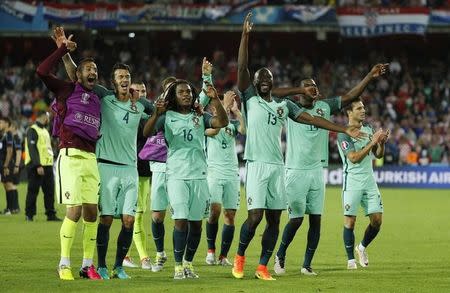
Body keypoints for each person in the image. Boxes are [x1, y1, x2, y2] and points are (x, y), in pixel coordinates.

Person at [232, 12, 363, 281]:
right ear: (255, 83)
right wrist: (245, 36)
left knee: (275, 220)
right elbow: (242, 66)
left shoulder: (284, 106)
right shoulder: (249, 99)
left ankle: (263, 267)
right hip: (256, 165)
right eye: (261, 77)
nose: (265, 79)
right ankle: (240, 257)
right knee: (254, 217)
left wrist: (342, 128)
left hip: (277, 167)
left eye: (269, 76)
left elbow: (312, 118)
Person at [274, 64, 388, 276]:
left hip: (318, 171)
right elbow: (271, 93)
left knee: (316, 220)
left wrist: (370, 76)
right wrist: (298, 90)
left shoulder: (325, 106)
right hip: (295, 170)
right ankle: (280, 255)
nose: (314, 89)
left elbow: (351, 95)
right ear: (301, 91)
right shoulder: (290, 107)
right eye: (309, 87)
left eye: (315, 86)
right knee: (296, 219)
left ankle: (307, 264)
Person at [143, 80, 229, 280]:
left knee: (197, 224)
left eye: (189, 92)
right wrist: (156, 112)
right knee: (180, 221)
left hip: (199, 175)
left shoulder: (200, 116)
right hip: (176, 176)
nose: (186, 95)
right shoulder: (167, 117)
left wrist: (215, 100)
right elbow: (146, 132)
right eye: (181, 92)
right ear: (174, 95)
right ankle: (178, 266)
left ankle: (189, 264)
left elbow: (222, 122)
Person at [38, 28, 102, 281]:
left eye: (95, 70)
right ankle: (64, 263)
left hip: (91, 159)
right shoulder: (65, 90)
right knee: (74, 211)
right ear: (77, 74)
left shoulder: (98, 98)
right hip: (70, 157)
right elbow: (42, 72)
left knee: (91, 212)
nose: (93, 73)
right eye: (88, 69)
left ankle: (87, 265)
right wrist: (62, 50)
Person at [337, 98, 389, 270]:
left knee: (377, 220)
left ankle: (362, 247)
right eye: (359, 108)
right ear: (349, 113)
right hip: (352, 182)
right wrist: (373, 142)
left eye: (364, 107)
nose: (363, 110)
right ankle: (351, 260)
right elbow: (353, 158)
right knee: (350, 222)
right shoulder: (344, 133)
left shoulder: (368, 129)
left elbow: (378, 155)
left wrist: (381, 143)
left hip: (369, 181)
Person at [205, 91, 245, 266]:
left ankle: (223, 256)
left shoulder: (233, 125)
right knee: (214, 211)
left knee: (230, 214)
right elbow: (214, 132)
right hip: (213, 172)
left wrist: (237, 113)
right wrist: (226, 107)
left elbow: (244, 130)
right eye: (221, 104)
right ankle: (211, 251)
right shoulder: (206, 121)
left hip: (231, 173)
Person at [122, 81, 153, 270]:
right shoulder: (129, 113)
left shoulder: (150, 113)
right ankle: (143, 257)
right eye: (137, 91)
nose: (141, 94)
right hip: (130, 168)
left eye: (144, 91)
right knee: (136, 215)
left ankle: (126, 255)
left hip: (146, 171)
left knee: (135, 214)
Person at [24, 111, 60, 222]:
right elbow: (32, 148)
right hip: (36, 166)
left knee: (49, 191)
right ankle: (29, 214)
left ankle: (50, 214)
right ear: (43, 117)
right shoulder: (32, 130)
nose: (48, 119)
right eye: (47, 117)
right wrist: (38, 165)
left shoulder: (44, 130)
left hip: (48, 164)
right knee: (33, 190)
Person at [3, 121, 23, 214]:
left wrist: (17, 165)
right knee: (9, 185)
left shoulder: (16, 138)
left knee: (10, 185)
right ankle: (12, 208)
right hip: (13, 163)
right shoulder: (13, 137)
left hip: (12, 163)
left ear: (13, 127)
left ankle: (13, 207)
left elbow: (18, 153)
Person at [0, 117, 14, 215]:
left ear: (6, 123)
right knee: (5, 185)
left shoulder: (8, 135)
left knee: (8, 185)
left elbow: (9, 151)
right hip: (2, 163)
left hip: (5, 164)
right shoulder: (2, 135)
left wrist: (6, 165)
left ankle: (10, 208)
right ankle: (9, 208)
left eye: (1, 122)